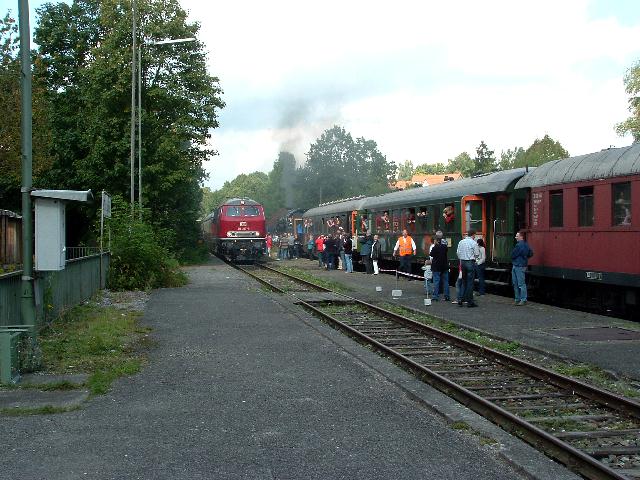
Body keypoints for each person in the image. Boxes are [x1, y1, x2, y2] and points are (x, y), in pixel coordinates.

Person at [456, 229, 480, 308]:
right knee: (470, 283)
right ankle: (470, 302)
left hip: (462, 262)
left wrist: (461, 258)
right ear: (473, 235)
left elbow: (458, 252)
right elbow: (477, 254)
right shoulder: (473, 243)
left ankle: (460, 300)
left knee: (464, 281)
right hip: (470, 262)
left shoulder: (461, 242)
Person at [511, 231, 533, 306]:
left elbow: (513, 255)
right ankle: (522, 299)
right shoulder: (526, 245)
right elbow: (531, 253)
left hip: (517, 265)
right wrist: (525, 258)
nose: (515, 237)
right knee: (521, 283)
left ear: (521, 237)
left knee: (517, 283)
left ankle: (520, 299)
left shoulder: (518, 245)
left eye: (517, 236)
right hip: (523, 265)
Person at [429, 231, 450, 301]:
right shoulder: (445, 247)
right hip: (444, 266)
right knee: (446, 282)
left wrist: (435, 245)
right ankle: (447, 296)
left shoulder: (435, 247)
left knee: (436, 281)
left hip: (436, 266)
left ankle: (435, 296)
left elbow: (431, 254)